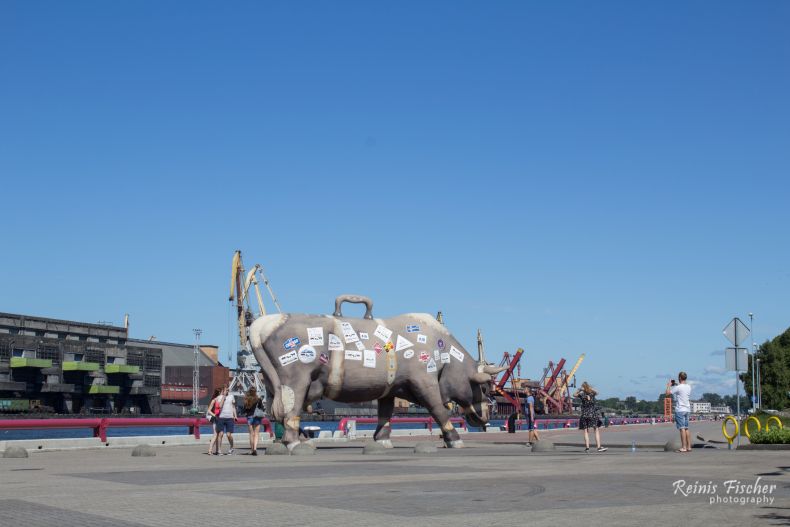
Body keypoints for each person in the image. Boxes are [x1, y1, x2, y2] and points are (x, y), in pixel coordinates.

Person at [574, 382, 607, 453]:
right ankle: (598, 447)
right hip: (592, 414)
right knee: (596, 430)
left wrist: (579, 390)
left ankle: (587, 448)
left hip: (584, 414)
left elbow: (574, 395)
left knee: (586, 431)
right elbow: (597, 392)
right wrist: (589, 388)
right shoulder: (592, 394)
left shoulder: (582, 395)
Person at [666, 372, 692, 453]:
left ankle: (683, 447)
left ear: (680, 378)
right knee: (686, 428)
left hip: (680, 409)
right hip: (687, 409)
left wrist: (669, 385)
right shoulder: (689, 387)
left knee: (682, 429)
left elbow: (667, 394)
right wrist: (676, 384)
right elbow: (682, 387)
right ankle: (689, 447)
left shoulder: (678, 387)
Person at [243, 387, 265, 456]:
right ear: (255, 392)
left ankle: (252, 449)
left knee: (251, 434)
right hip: (257, 417)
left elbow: (244, 410)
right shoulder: (258, 399)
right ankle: (255, 449)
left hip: (249, 417)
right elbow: (262, 408)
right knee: (256, 434)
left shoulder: (246, 399)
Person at [216, 386, 237, 455]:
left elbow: (233, 407)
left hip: (230, 417)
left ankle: (232, 446)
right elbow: (220, 406)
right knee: (220, 434)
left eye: (228, 390)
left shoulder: (231, 397)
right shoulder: (219, 397)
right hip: (221, 417)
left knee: (228, 435)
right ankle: (219, 450)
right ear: (223, 390)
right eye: (226, 390)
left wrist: (235, 415)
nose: (227, 391)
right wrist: (224, 396)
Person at [206, 388, 223, 455]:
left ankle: (216, 450)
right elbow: (209, 411)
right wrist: (215, 415)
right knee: (215, 434)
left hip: (219, 418)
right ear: (219, 393)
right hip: (215, 418)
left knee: (218, 434)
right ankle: (210, 450)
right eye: (221, 393)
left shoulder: (221, 400)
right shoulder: (214, 400)